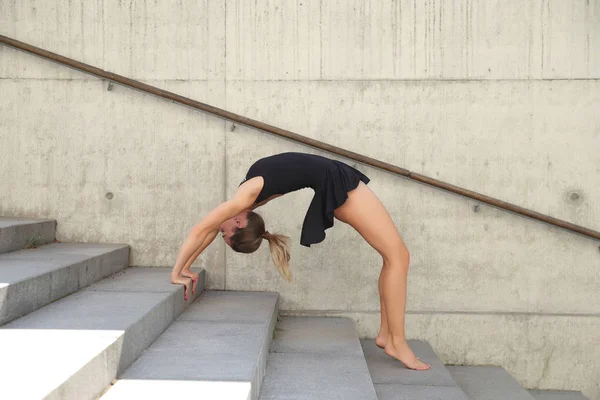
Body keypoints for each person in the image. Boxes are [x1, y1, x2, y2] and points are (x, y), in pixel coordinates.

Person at [170, 152, 431, 370]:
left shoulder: (245, 197)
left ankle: (389, 335)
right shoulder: (246, 199)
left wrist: (179, 270)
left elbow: (201, 231)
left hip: (334, 180)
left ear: (239, 222)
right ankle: (398, 342)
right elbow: (204, 232)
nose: (219, 229)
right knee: (399, 257)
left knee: (394, 257)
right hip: (336, 184)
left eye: (224, 233)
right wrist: (182, 268)